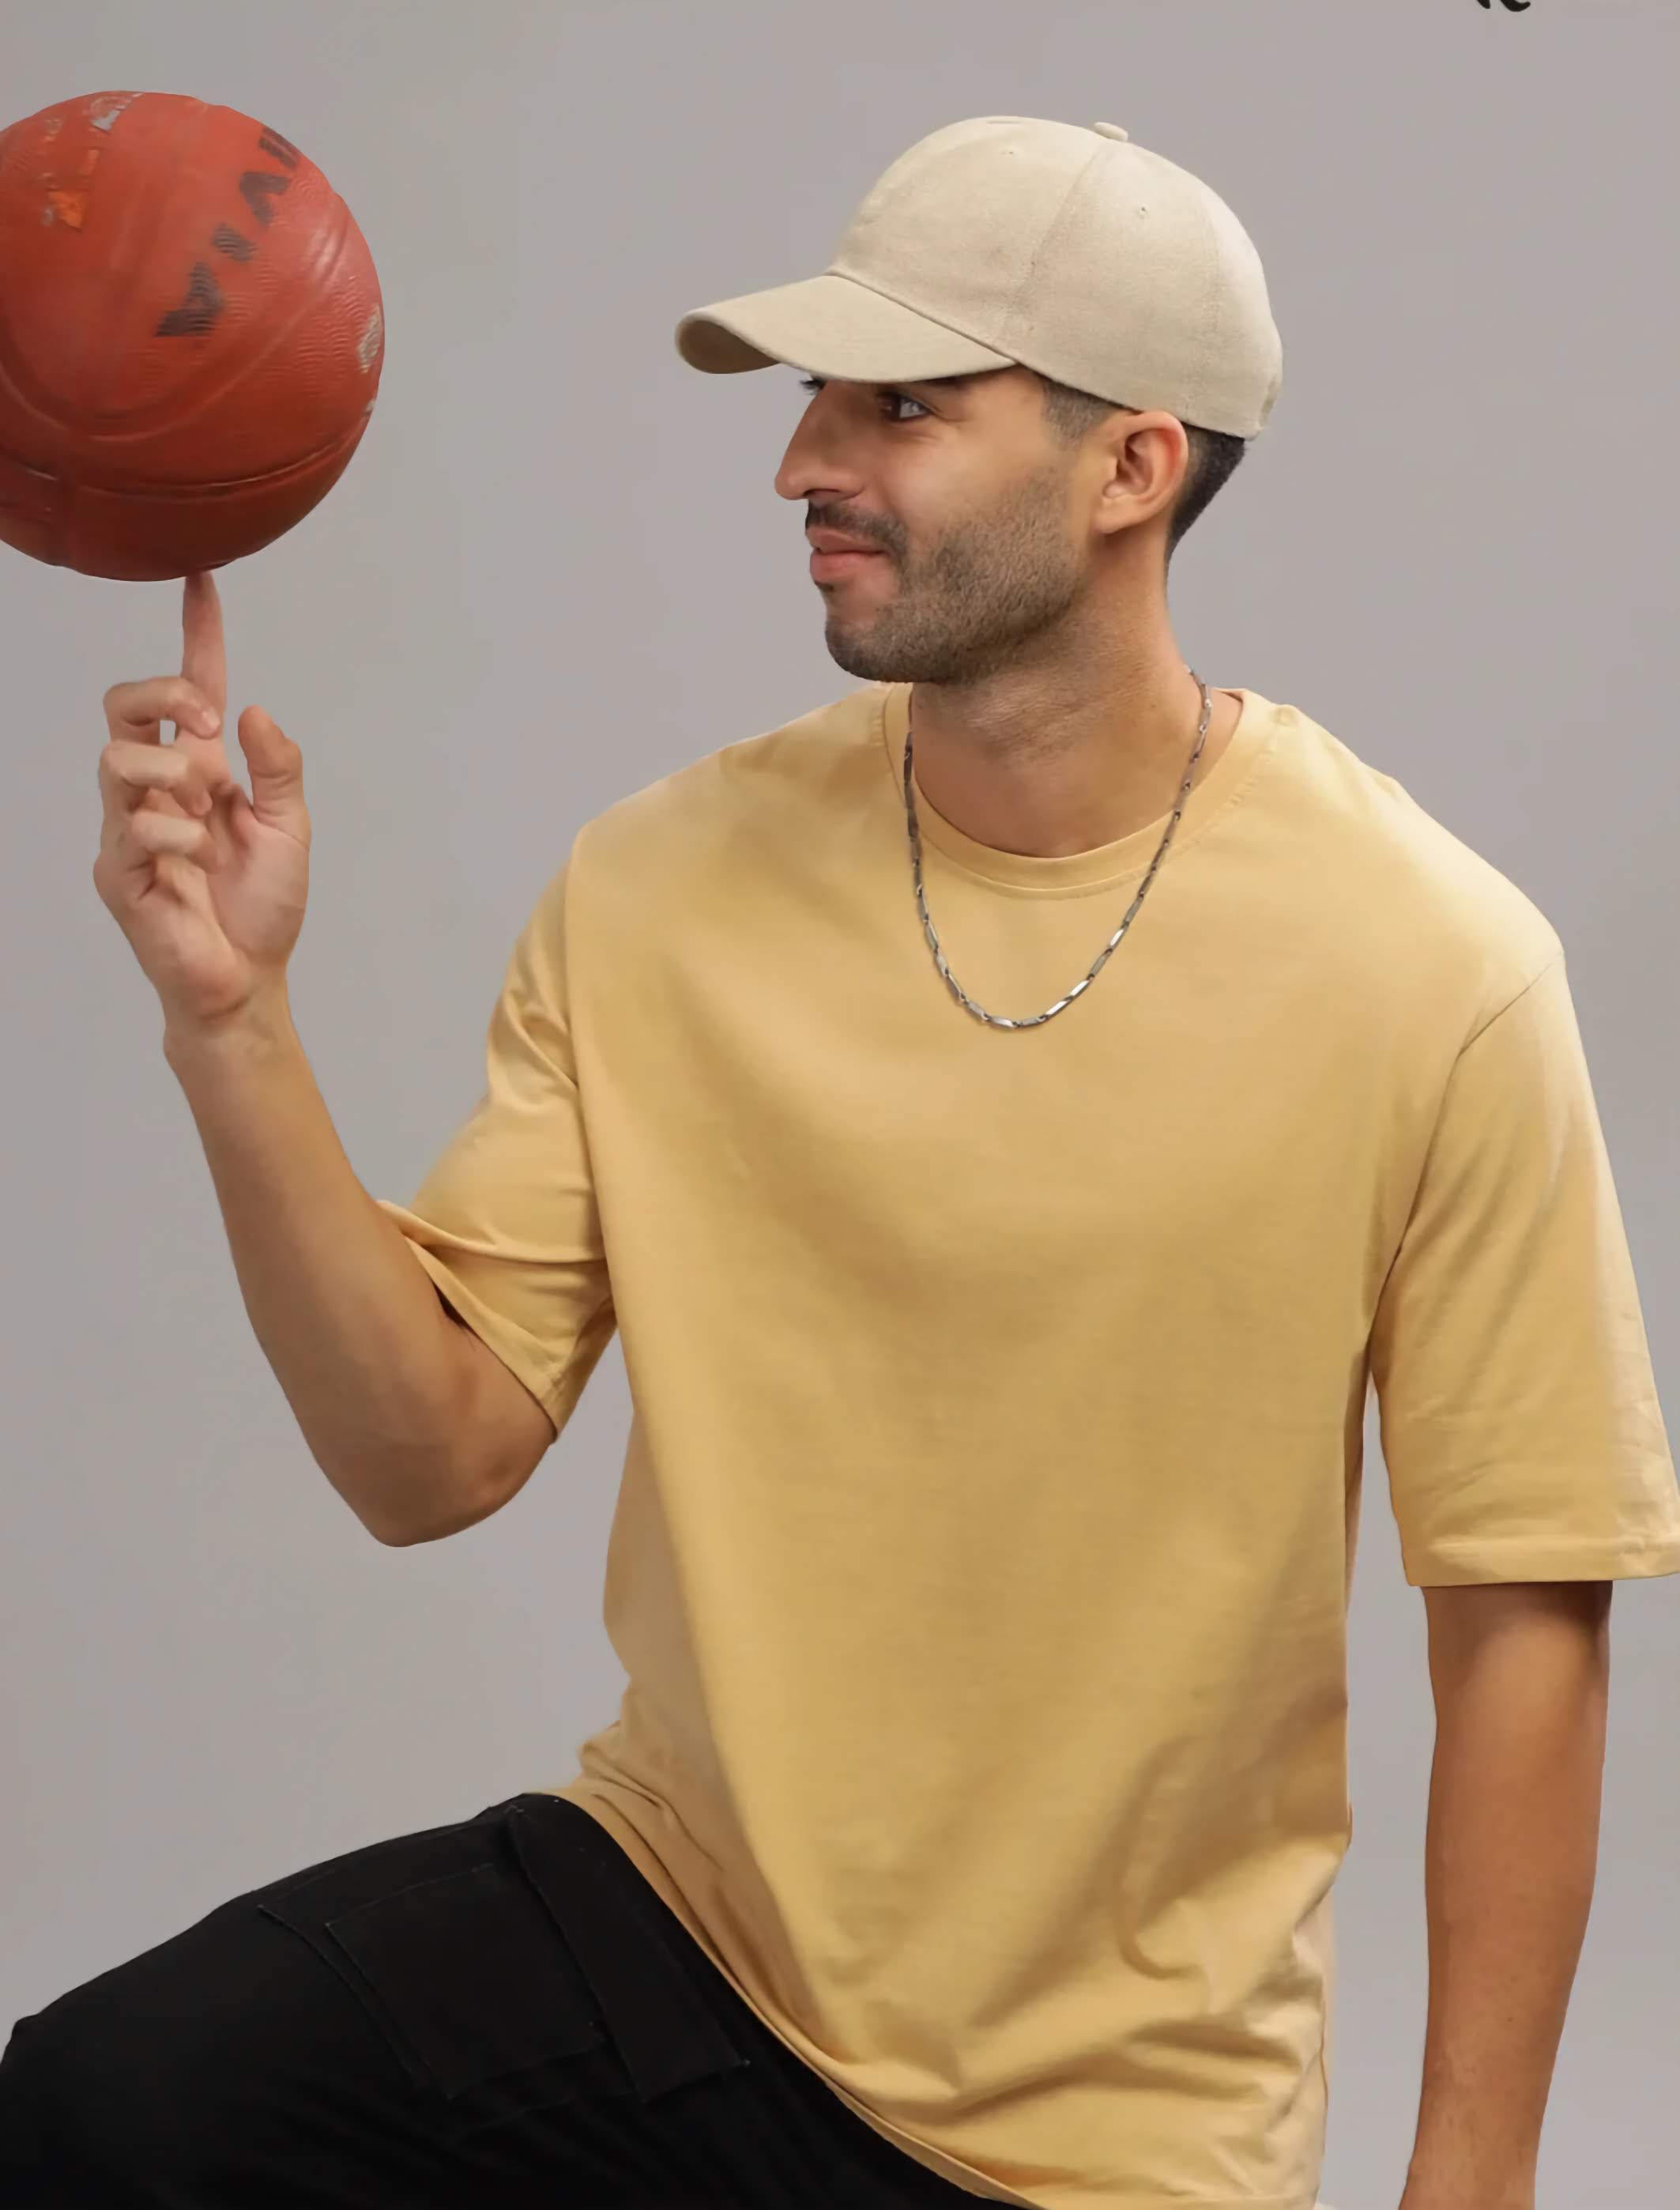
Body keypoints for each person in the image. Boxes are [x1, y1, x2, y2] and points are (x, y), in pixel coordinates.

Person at [3, 111, 1674, 2210]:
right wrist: (232, 1021)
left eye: (901, 405)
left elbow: (1523, 1622)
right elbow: (428, 1457)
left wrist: (1473, 2185)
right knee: (102, 2112)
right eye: (814, 398)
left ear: (1133, 466)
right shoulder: (660, 881)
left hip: (1101, 2130)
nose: (804, 463)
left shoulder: (1434, 969)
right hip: (672, 1921)